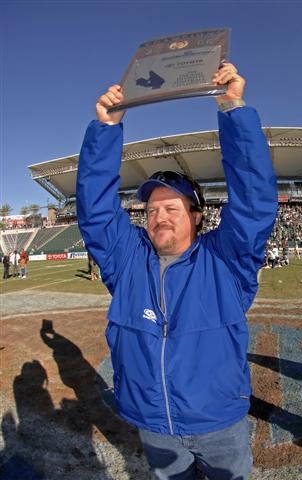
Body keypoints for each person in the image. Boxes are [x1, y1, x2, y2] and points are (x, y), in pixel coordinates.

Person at [77, 63, 278, 480]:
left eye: (172, 208)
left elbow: (254, 202)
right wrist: (106, 128)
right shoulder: (127, 261)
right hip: (154, 426)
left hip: (219, 425)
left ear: (197, 216)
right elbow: (95, 213)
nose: (159, 217)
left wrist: (232, 108)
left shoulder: (226, 261)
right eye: (151, 210)